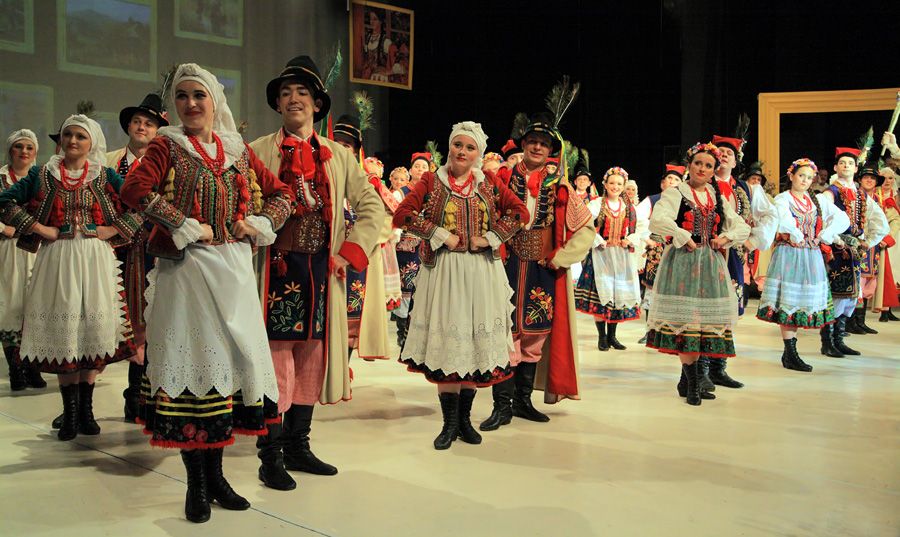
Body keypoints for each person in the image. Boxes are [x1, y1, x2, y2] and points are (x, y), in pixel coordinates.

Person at [120, 64, 294, 522]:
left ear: (215, 102)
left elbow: (283, 194)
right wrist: (182, 223)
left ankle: (216, 476)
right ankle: (196, 483)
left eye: (199, 95)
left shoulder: (237, 150)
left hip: (233, 274)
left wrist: (258, 222)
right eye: (182, 96)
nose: (191, 103)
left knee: (228, 370)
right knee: (194, 368)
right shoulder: (167, 145)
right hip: (187, 274)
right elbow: (134, 188)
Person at [249, 56, 383, 490]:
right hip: (274, 268)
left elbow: (372, 207)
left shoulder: (338, 155)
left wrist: (348, 252)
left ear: (317, 104)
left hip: (322, 271)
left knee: (311, 358)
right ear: (277, 103)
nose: (294, 99)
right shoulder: (258, 151)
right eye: (286, 93)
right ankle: (270, 456)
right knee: (275, 360)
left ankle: (298, 446)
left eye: (302, 93)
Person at [0, 115, 142, 437]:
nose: (73, 141)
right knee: (65, 332)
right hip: (58, 258)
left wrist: (112, 230)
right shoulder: (42, 174)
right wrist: (39, 228)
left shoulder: (104, 174)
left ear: (92, 142)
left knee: (91, 329)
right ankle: (70, 412)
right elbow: (4, 200)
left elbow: (142, 202)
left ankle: (86, 411)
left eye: (80, 136)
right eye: (68, 135)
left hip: (96, 259)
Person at [394, 121, 528, 449]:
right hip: (445, 271)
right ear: (450, 147)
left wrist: (491, 237)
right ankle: (449, 423)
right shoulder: (432, 180)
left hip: (483, 272)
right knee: (450, 341)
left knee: (473, 341)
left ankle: (465, 421)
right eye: (458, 145)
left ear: (478, 153)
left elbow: (519, 212)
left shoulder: (489, 182)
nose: (462, 152)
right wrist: (440, 234)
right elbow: (403, 214)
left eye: (470, 147)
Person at [480, 113, 594, 431]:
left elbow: (586, 228)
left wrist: (561, 258)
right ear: (524, 144)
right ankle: (501, 406)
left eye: (544, 144)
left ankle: (522, 401)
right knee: (504, 332)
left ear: (551, 150)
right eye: (532, 141)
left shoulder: (560, 186)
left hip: (542, 269)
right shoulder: (502, 178)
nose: (537, 147)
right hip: (506, 266)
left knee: (534, 334)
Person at [645, 142, 750, 406]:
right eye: (698, 163)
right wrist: (681, 234)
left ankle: (686, 381)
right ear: (689, 165)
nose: (702, 169)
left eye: (708, 165)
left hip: (711, 265)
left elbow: (741, 226)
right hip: (683, 263)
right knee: (689, 323)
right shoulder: (677, 193)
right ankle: (693, 384)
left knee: (702, 324)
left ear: (714, 170)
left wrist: (724, 238)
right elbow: (658, 220)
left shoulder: (717, 196)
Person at [106, 92, 169, 422]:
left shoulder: (167, 165)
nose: (142, 127)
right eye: (137, 122)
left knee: (155, 320)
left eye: (149, 123)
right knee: (123, 321)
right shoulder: (109, 161)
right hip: (116, 252)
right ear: (128, 126)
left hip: (156, 251)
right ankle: (83, 396)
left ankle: (145, 396)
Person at [757, 158, 849, 371]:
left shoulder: (817, 200)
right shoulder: (783, 199)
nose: (805, 181)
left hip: (811, 256)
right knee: (790, 302)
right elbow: (783, 220)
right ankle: (790, 351)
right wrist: (794, 233)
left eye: (809, 177)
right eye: (801, 176)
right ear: (791, 176)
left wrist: (827, 233)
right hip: (790, 255)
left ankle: (790, 353)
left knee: (802, 303)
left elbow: (841, 218)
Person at [702, 134, 777, 391]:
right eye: (720, 152)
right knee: (705, 309)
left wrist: (754, 240)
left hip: (733, 255)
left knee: (728, 308)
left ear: (736, 161)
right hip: (705, 252)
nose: (724, 155)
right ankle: (701, 369)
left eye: (729, 153)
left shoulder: (746, 188)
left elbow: (770, 214)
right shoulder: (703, 184)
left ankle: (718, 367)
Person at [818, 147, 889, 357]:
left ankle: (839, 339)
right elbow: (822, 218)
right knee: (835, 294)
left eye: (850, 163)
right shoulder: (831, 192)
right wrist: (835, 239)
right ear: (835, 167)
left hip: (854, 250)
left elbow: (879, 221)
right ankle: (827, 342)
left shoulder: (860, 194)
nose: (846, 166)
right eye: (842, 163)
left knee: (850, 296)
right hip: (836, 249)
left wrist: (869, 241)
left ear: (856, 168)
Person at [575, 167, 643, 351]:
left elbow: (639, 229)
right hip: (601, 255)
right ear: (605, 184)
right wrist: (598, 240)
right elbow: (584, 224)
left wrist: (630, 239)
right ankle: (602, 337)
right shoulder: (597, 204)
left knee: (617, 294)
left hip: (621, 256)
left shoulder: (628, 207)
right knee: (601, 295)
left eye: (619, 184)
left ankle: (613, 336)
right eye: (612, 183)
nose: (615, 186)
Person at [0, 129, 46, 391]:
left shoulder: (42, 178)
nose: (24, 152)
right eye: (19, 147)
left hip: (36, 249)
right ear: (11, 151)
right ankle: (15, 368)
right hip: (7, 250)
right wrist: (3, 228)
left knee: (35, 304)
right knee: (10, 305)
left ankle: (32, 365)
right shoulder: (1, 178)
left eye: (29, 147)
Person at [635, 164, 683, 344]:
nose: (673, 182)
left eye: (677, 179)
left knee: (675, 290)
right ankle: (650, 332)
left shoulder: (684, 202)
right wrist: (647, 238)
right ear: (663, 183)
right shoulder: (652, 200)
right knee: (652, 290)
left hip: (677, 249)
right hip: (657, 250)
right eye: (669, 178)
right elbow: (637, 219)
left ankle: (672, 332)